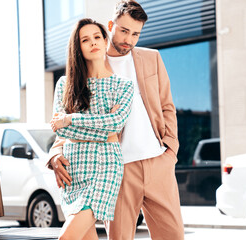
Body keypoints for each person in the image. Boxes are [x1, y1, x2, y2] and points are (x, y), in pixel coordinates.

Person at [47, 1, 185, 239]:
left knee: (173, 235)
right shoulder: (93, 63)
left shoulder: (152, 58)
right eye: (123, 31)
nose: (128, 40)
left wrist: (170, 151)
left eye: (135, 34)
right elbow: (68, 116)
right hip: (115, 168)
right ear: (110, 26)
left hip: (157, 162)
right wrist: (54, 153)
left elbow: (167, 107)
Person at [49, 18, 134, 240]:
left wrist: (70, 120)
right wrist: (101, 126)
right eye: (85, 40)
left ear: (105, 40)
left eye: (97, 37)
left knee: (67, 238)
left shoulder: (123, 85)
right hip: (73, 170)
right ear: (77, 47)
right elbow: (62, 132)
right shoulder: (64, 85)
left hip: (105, 166)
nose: (93, 42)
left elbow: (116, 124)